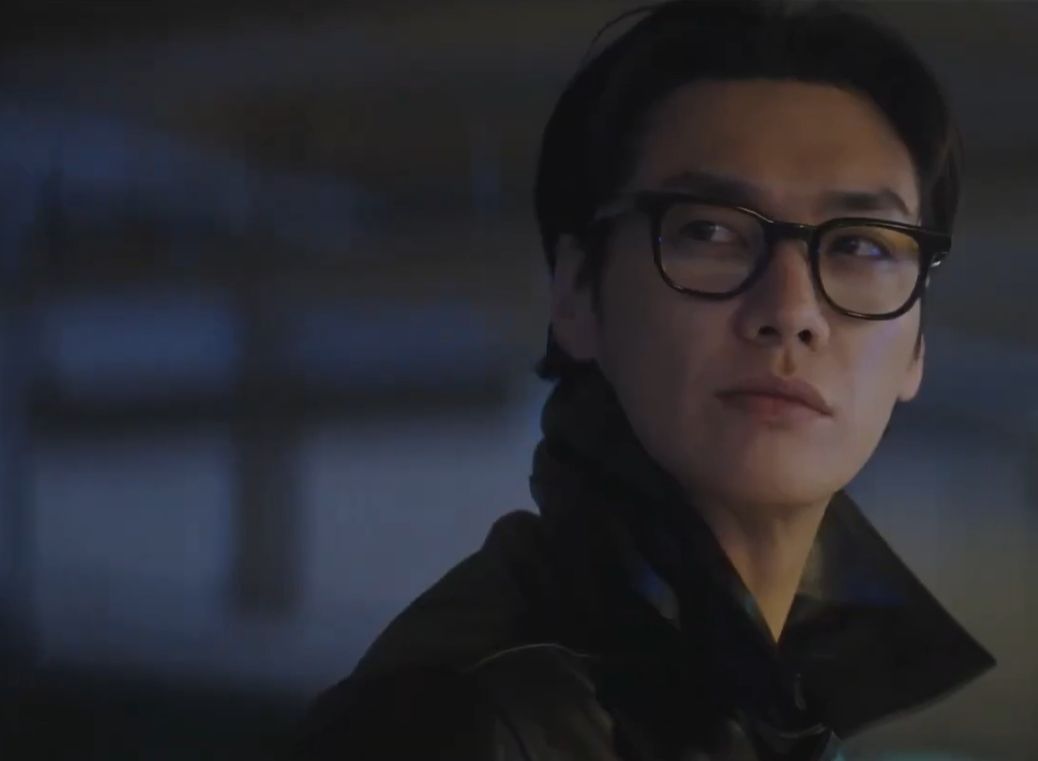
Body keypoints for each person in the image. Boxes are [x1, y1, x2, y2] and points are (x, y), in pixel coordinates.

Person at [295, 1, 993, 758]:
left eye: (860, 246)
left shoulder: (776, 712)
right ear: (576, 292)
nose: (792, 311)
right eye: (710, 232)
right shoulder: (462, 718)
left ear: (917, 346)